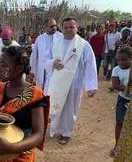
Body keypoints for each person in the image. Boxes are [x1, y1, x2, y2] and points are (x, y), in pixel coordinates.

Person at [44, 17, 98, 145]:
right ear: (61, 29)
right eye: (66, 27)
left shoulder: (84, 45)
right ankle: (54, 128)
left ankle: (65, 133)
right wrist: (52, 63)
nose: (68, 30)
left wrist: (90, 86)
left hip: (73, 84)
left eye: (71, 27)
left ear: (76, 28)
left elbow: (90, 65)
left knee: (69, 109)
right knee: (55, 105)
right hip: (56, 82)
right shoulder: (55, 43)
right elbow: (45, 59)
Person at [29, 18, 63, 90]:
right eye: (51, 26)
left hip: (56, 69)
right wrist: (32, 71)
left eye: (55, 26)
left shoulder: (61, 37)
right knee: (42, 90)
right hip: (42, 70)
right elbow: (34, 55)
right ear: (45, 28)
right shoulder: (40, 39)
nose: (54, 28)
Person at [110, 47, 132, 155]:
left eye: (124, 60)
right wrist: (128, 89)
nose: (121, 62)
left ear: (130, 58)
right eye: (118, 60)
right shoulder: (116, 70)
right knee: (119, 122)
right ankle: (117, 145)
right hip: (123, 99)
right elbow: (115, 85)